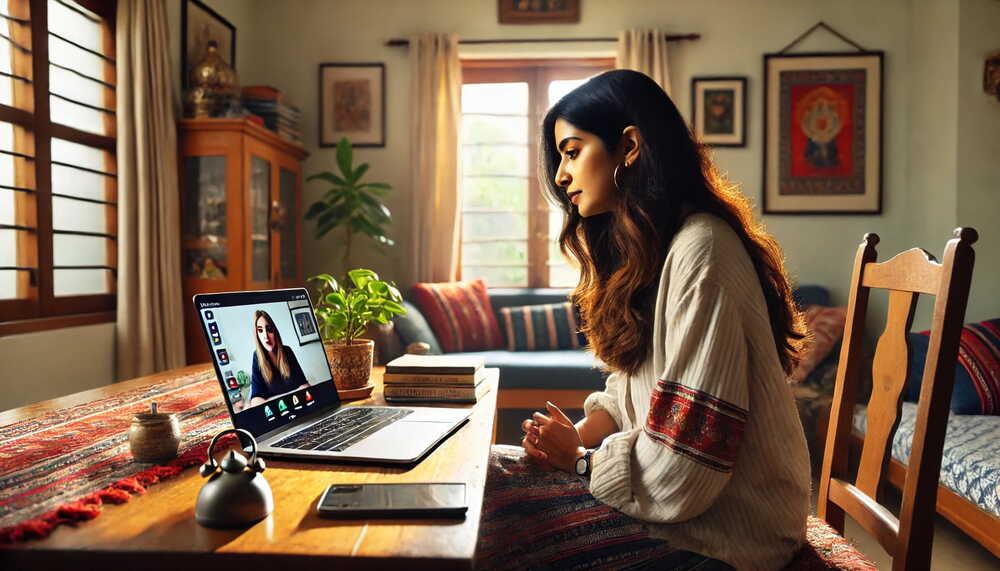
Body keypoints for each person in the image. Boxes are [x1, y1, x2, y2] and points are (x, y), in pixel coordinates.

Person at [474, 69, 811, 570]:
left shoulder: (703, 250)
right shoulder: (658, 251)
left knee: (486, 519)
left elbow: (686, 468)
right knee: (486, 475)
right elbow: (634, 388)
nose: (561, 176)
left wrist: (580, 461)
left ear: (629, 146)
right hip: (690, 514)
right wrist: (583, 433)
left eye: (572, 151)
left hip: (726, 537)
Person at [247, 310, 309, 407]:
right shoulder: (257, 357)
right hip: (277, 413)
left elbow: (303, 384)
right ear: (257, 335)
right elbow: (256, 399)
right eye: (260, 330)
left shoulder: (287, 351)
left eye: (269, 329)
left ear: (275, 331)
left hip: (299, 406)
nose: (265, 336)